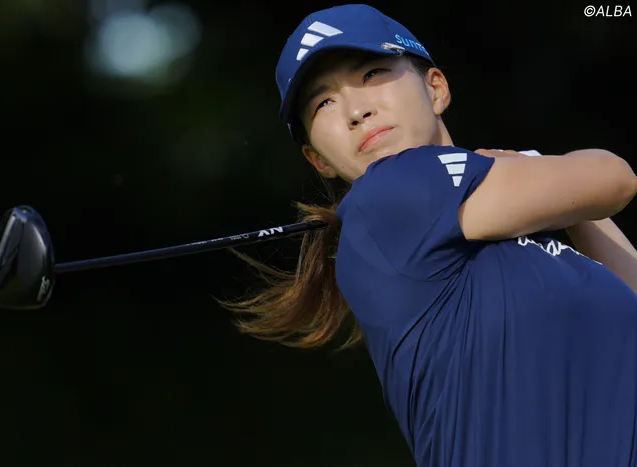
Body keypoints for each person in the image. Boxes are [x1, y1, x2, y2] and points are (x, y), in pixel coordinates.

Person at [221, 4, 637, 466]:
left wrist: (563, 204)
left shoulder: (542, 249)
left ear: (435, 87)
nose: (356, 111)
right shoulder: (388, 191)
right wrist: (538, 167)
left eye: (372, 73)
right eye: (323, 103)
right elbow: (615, 178)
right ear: (317, 159)